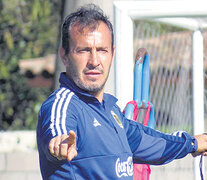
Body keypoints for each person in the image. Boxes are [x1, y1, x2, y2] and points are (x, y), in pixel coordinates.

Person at [37, 4, 207, 180]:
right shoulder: (62, 105)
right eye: (84, 50)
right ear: (64, 55)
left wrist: (193, 143)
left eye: (102, 50)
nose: (94, 61)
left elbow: (152, 143)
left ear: (112, 53)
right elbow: (58, 131)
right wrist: (59, 143)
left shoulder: (111, 112)